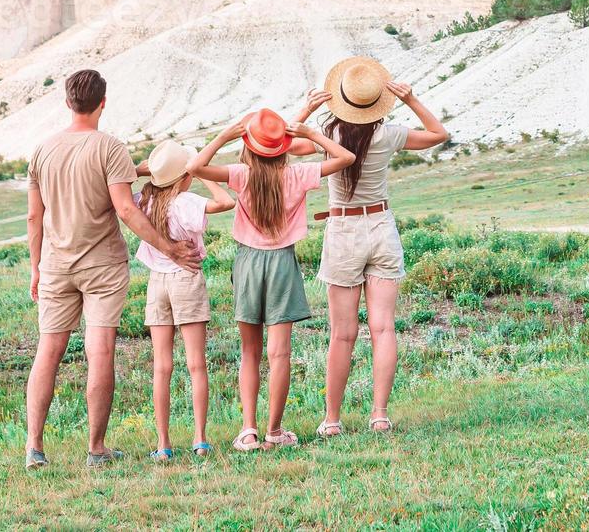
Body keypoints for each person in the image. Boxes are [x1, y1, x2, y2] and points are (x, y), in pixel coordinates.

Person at [23, 70, 200, 472]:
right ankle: (96, 447)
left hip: (54, 264)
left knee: (47, 350)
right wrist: (168, 247)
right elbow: (125, 209)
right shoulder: (110, 148)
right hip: (101, 265)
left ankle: (34, 446)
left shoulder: (42, 150)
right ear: (103, 102)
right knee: (99, 351)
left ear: (68, 103)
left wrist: (35, 268)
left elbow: (35, 216)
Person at [291, 57, 448, 436]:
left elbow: (283, 143)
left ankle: (332, 419)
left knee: (342, 333)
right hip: (381, 225)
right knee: (383, 329)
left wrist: (308, 110)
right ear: (377, 100)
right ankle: (379, 414)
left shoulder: (329, 134)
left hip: (344, 229)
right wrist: (410, 99)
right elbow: (438, 134)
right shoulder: (390, 134)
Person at [187, 108, 354, 452]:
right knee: (280, 354)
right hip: (282, 263)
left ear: (248, 145)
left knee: (250, 352)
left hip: (248, 262)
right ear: (282, 149)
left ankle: (248, 430)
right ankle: (274, 430)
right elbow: (346, 157)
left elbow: (194, 167)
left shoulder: (240, 175)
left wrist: (224, 135)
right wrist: (310, 134)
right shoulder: (297, 175)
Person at [132, 140, 236, 461]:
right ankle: (199, 438)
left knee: (162, 366)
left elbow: (120, 188)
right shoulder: (184, 201)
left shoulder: (143, 200)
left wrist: (142, 170)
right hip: (186, 279)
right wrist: (200, 170)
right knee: (196, 364)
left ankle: (163, 444)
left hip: (156, 283)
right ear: (185, 176)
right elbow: (225, 201)